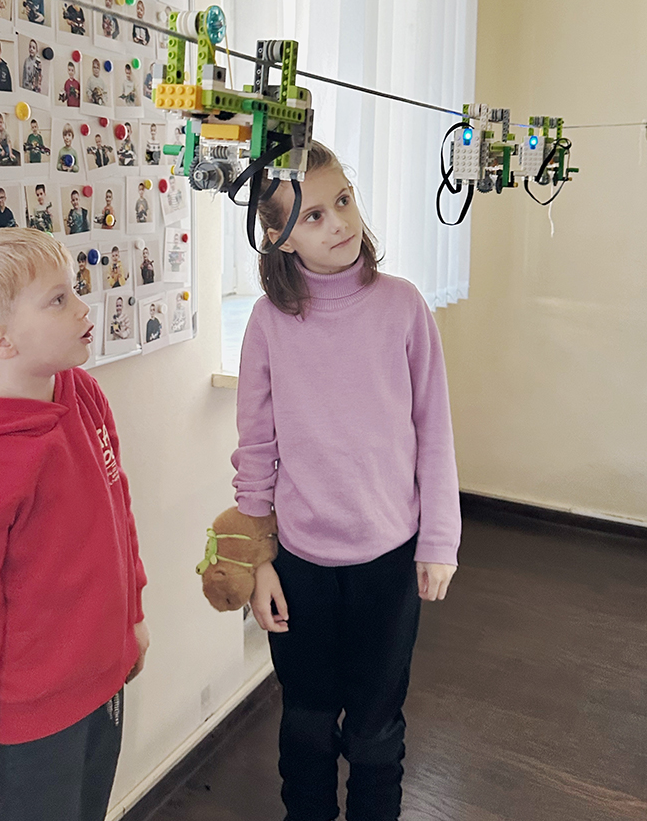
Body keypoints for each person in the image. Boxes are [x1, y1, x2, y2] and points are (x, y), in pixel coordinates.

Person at [232, 141, 460, 821]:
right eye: (313, 216)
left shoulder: (404, 306)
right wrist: (257, 561)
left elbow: (435, 430)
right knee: (305, 723)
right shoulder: (268, 322)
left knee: (375, 730)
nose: (338, 222)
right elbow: (255, 451)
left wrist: (439, 539)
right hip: (299, 563)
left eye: (343, 200)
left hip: (388, 560)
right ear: (279, 237)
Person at [0, 229, 148, 821]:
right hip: (37, 717)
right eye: (58, 300)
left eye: (73, 291)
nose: (83, 308)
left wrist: (133, 618)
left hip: (105, 680)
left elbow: (117, 509)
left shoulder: (82, 392)